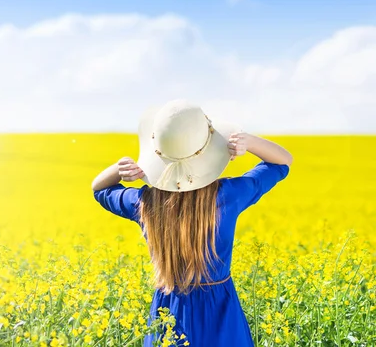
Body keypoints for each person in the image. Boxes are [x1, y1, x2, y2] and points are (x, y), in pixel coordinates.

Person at [91, 99, 293, 346]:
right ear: (209, 152)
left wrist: (121, 168)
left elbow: (99, 189)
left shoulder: (143, 202)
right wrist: (249, 142)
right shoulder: (228, 195)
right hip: (220, 311)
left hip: (168, 310)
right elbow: (282, 162)